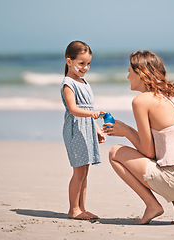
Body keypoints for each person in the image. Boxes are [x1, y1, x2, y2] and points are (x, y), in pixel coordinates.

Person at [103, 50, 174, 225]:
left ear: (141, 73)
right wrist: (126, 127)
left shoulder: (141, 100)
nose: (127, 76)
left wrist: (126, 133)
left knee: (115, 152)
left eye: (130, 71)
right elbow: (170, 148)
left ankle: (152, 205)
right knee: (171, 157)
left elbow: (149, 152)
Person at [61, 41, 106, 220]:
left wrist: (95, 128)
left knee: (85, 172)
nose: (85, 67)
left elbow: (86, 107)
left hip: (86, 128)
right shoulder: (68, 84)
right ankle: (74, 210)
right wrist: (93, 114)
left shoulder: (84, 82)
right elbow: (73, 109)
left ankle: (82, 208)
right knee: (78, 172)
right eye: (81, 63)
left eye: (88, 64)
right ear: (69, 61)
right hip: (76, 130)